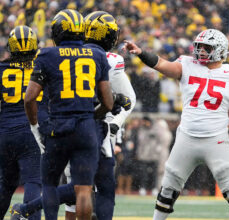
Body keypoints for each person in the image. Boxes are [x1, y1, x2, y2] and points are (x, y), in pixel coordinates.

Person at [124, 28, 229, 220]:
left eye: (207, 47)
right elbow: (162, 64)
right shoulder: (187, 65)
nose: (201, 51)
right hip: (186, 138)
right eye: (199, 47)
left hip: (216, 140)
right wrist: (141, 54)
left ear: (220, 50)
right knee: (168, 187)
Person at [10, 11, 135, 220]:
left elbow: (32, 98)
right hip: (90, 127)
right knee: (88, 187)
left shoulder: (49, 55)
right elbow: (114, 102)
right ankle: (27, 209)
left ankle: (27, 209)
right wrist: (103, 120)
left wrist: (39, 126)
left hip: (59, 124)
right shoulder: (102, 57)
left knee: (56, 184)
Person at [0, 26, 43, 220]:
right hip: (32, 131)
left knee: (6, 183)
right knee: (34, 181)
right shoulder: (43, 66)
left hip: (5, 133)